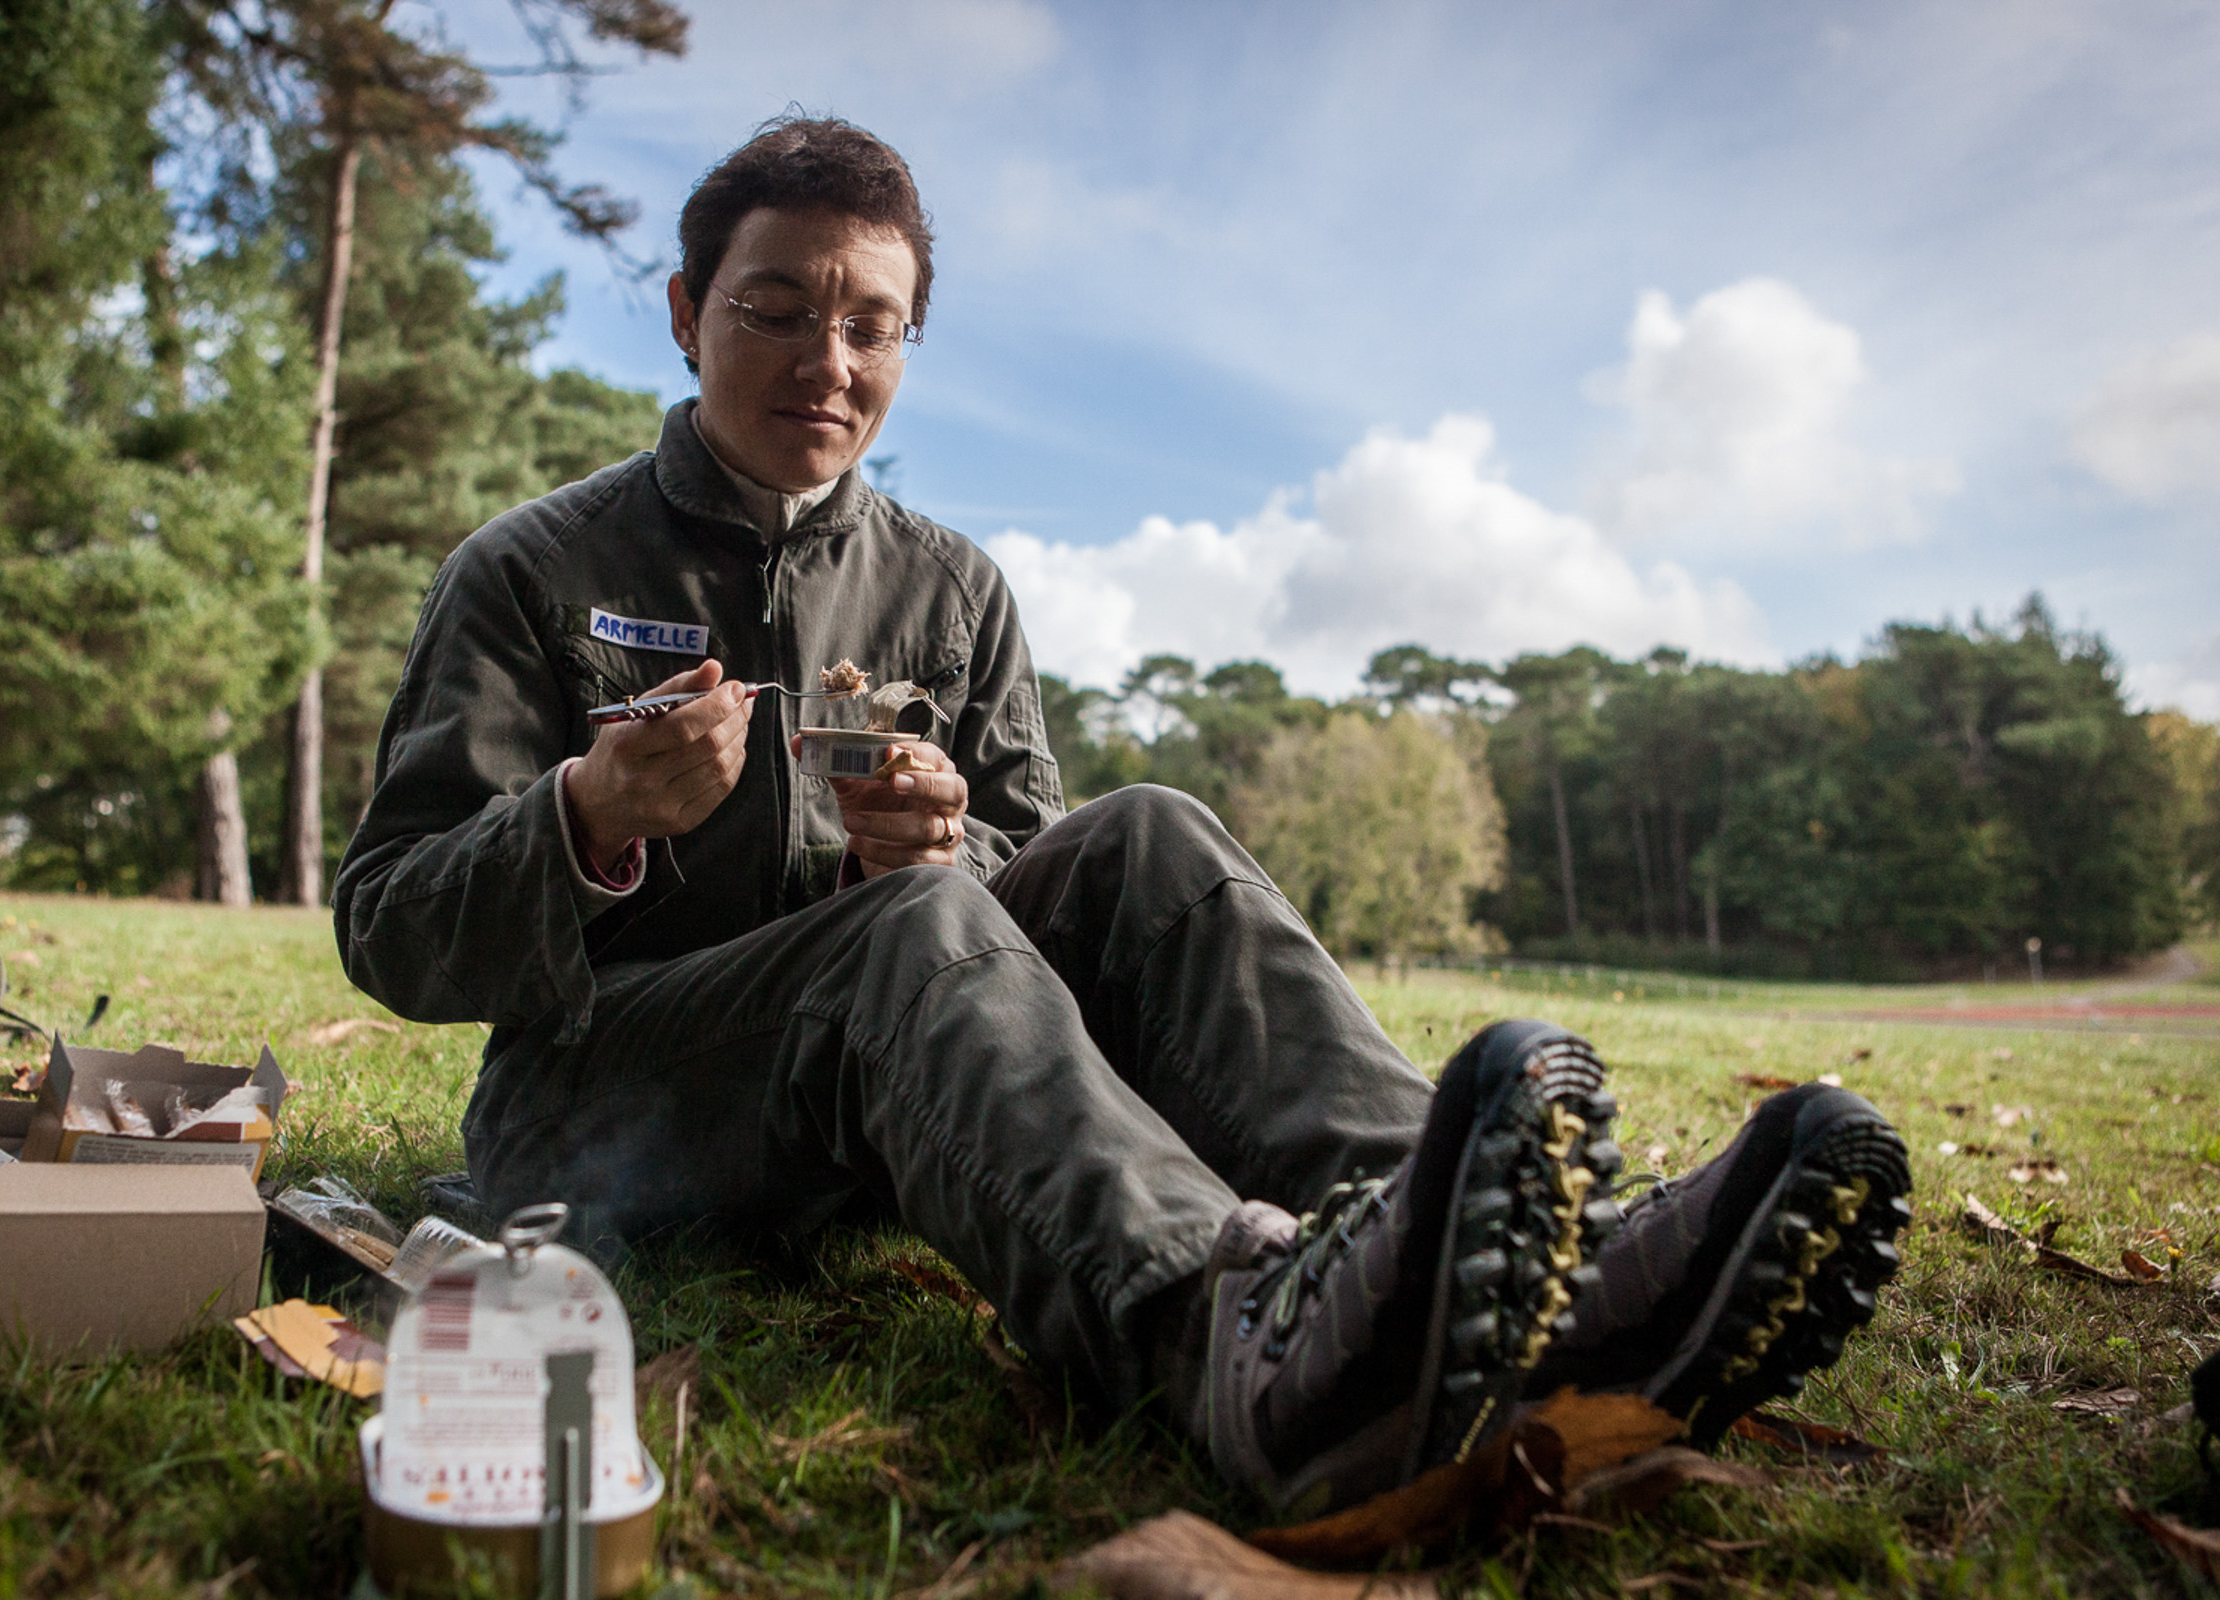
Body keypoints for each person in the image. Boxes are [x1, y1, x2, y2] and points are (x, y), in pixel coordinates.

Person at [334, 116, 1912, 1515]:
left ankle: (1452, 1243)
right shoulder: (535, 571)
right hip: (607, 1112)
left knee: (1147, 834)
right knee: (911, 929)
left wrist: (961, 854)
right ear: (688, 318)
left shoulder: (953, 589)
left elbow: (1035, 895)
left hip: (880, 1102)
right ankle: (1230, 1344)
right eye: (777, 310)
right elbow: (390, 923)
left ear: (906, 346)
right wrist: (587, 815)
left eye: (872, 327)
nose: (827, 361)